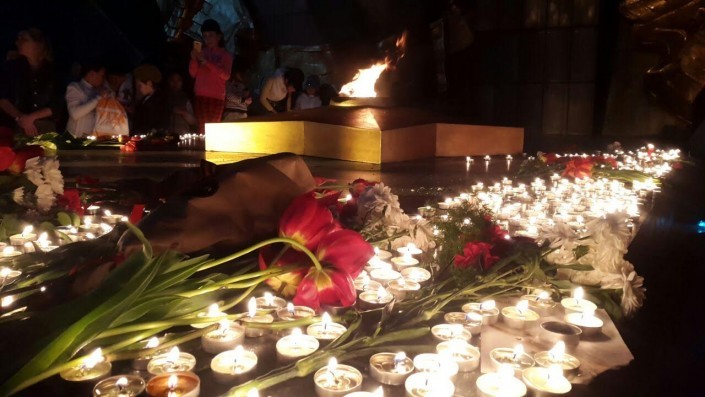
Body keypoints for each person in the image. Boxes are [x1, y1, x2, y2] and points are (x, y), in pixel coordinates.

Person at [0, 28, 61, 136]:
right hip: (17, 126)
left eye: (23, 39)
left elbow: (57, 103)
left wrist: (32, 117)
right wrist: (20, 117)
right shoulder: (11, 68)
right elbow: (3, 98)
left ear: (38, 44)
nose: (18, 43)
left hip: (45, 128)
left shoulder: (53, 70)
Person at [189, 19, 232, 134]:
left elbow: (226, 75)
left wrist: (207, 63)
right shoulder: (201, 52)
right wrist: (193, 59)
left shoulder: (225, 55)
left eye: (211, 35)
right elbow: (193, 73)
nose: (207, 39)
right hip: (200, 94)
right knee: (202, 129)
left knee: (213, 129)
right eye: (205, 36)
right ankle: (202, 149)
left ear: (219, 36)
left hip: (217, 96)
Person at [65, 62, 108, 138]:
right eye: (102, 75)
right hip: (75, 140)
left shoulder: (98, 91)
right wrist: (98, 98)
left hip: (92, 140)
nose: (103, 79)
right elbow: (75, 113)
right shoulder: (75, 87)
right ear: (91, 74)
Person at [132, 64, 169, 133]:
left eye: (140, 85)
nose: (138, 89)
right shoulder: (146, 99)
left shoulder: (158, 102)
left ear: (149, 83)